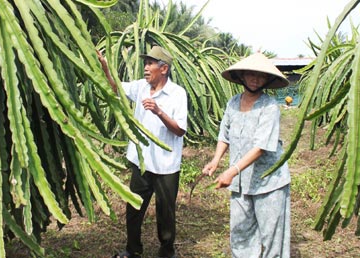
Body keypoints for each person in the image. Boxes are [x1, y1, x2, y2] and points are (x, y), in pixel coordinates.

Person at [98, 46, 187, 258]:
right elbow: (116, 88)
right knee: (134, 209)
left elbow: (180, 129)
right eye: (145, 63)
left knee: (166, 213)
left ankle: (167, 252)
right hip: (142, 162)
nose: (145, 68)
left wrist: (158, 111)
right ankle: (132, 249)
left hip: (166, 165)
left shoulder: (177, 94)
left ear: (164, 68)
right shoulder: (140, 87)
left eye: (150, 64)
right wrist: (106, 69)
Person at [202, 53, 291, 258]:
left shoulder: (269, 107)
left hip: (268, 182)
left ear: (267, 80)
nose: (255, 78)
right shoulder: (233, 103)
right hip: (240, 182)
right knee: (240, 234)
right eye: (250, 73)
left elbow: (261, 147)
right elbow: (224, 135)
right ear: (241, 75)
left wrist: (231, 170)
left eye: (260, 75)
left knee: (272, 239)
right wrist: (215, 161)